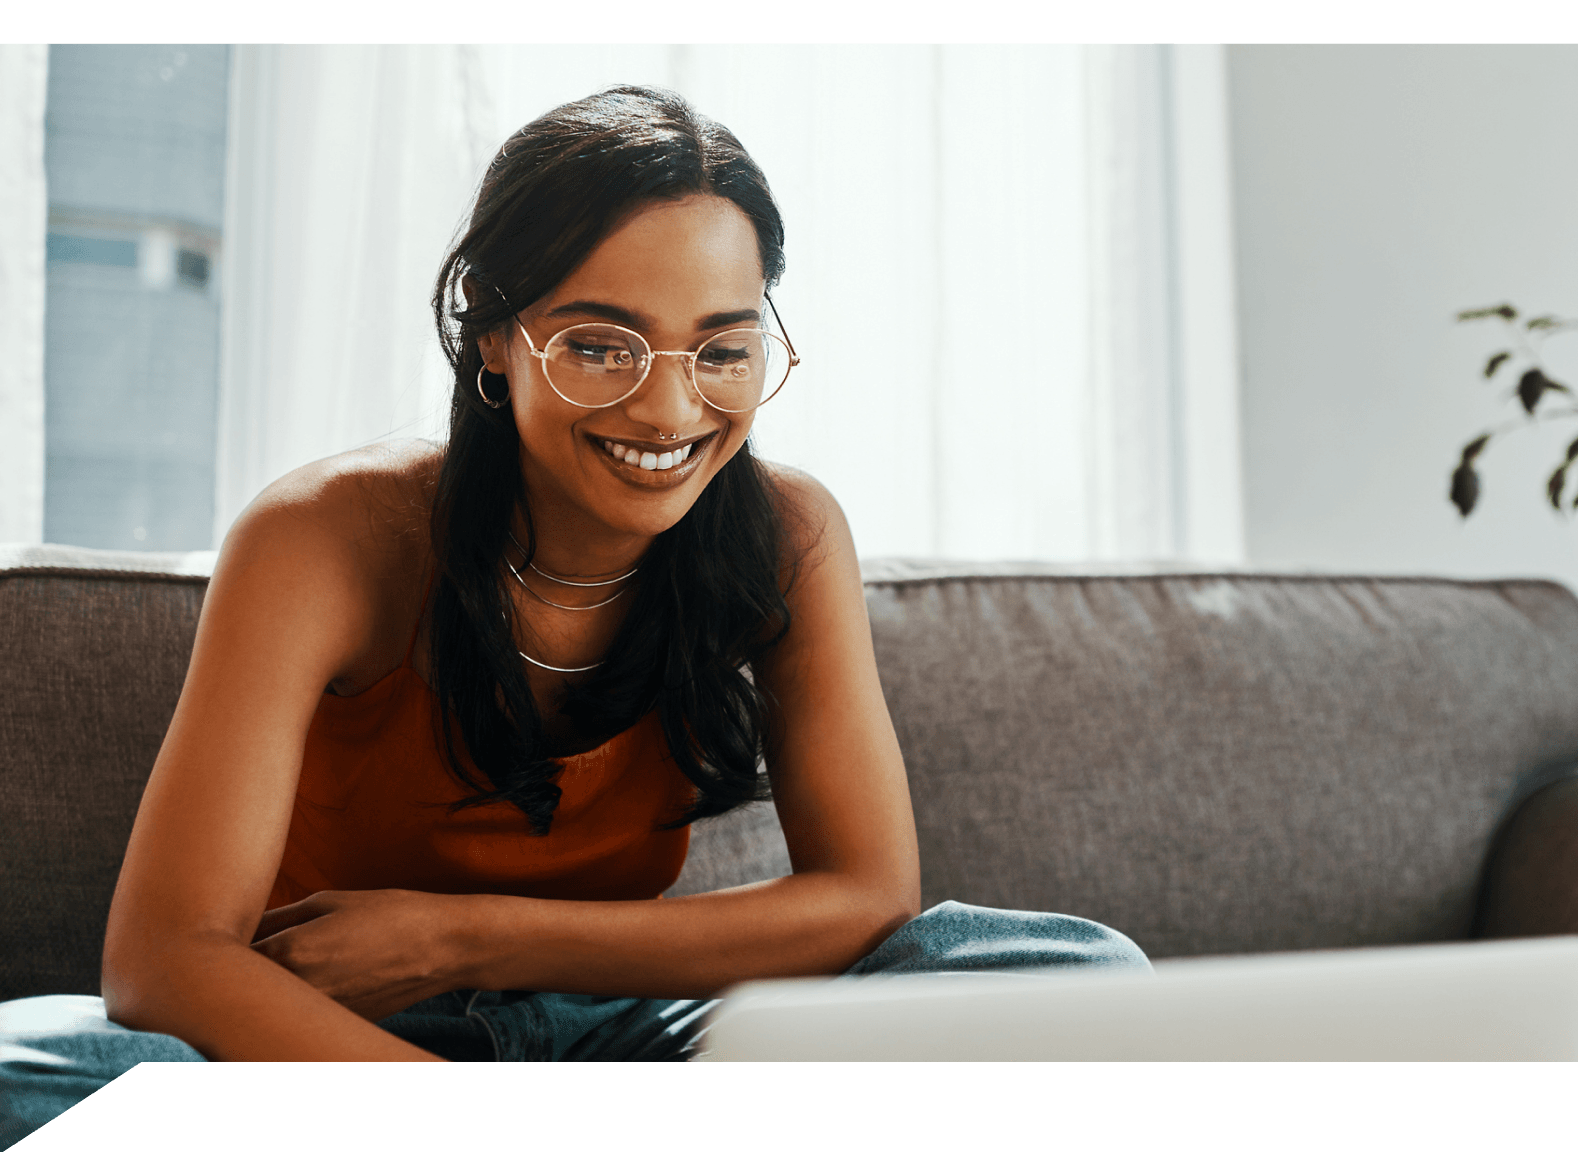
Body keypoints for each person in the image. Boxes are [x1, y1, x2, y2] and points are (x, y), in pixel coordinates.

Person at [0, 85, 1147, 1141]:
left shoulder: (789, 537)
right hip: (336, 1046)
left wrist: (466, 932)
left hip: (633, 1037)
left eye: (722, 348)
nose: (668, 406)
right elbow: (164, 961)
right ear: (496, 338)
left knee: (1072, 976)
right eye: (600, 345)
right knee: (20, 1067)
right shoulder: (323, 540)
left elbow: (864, 897)